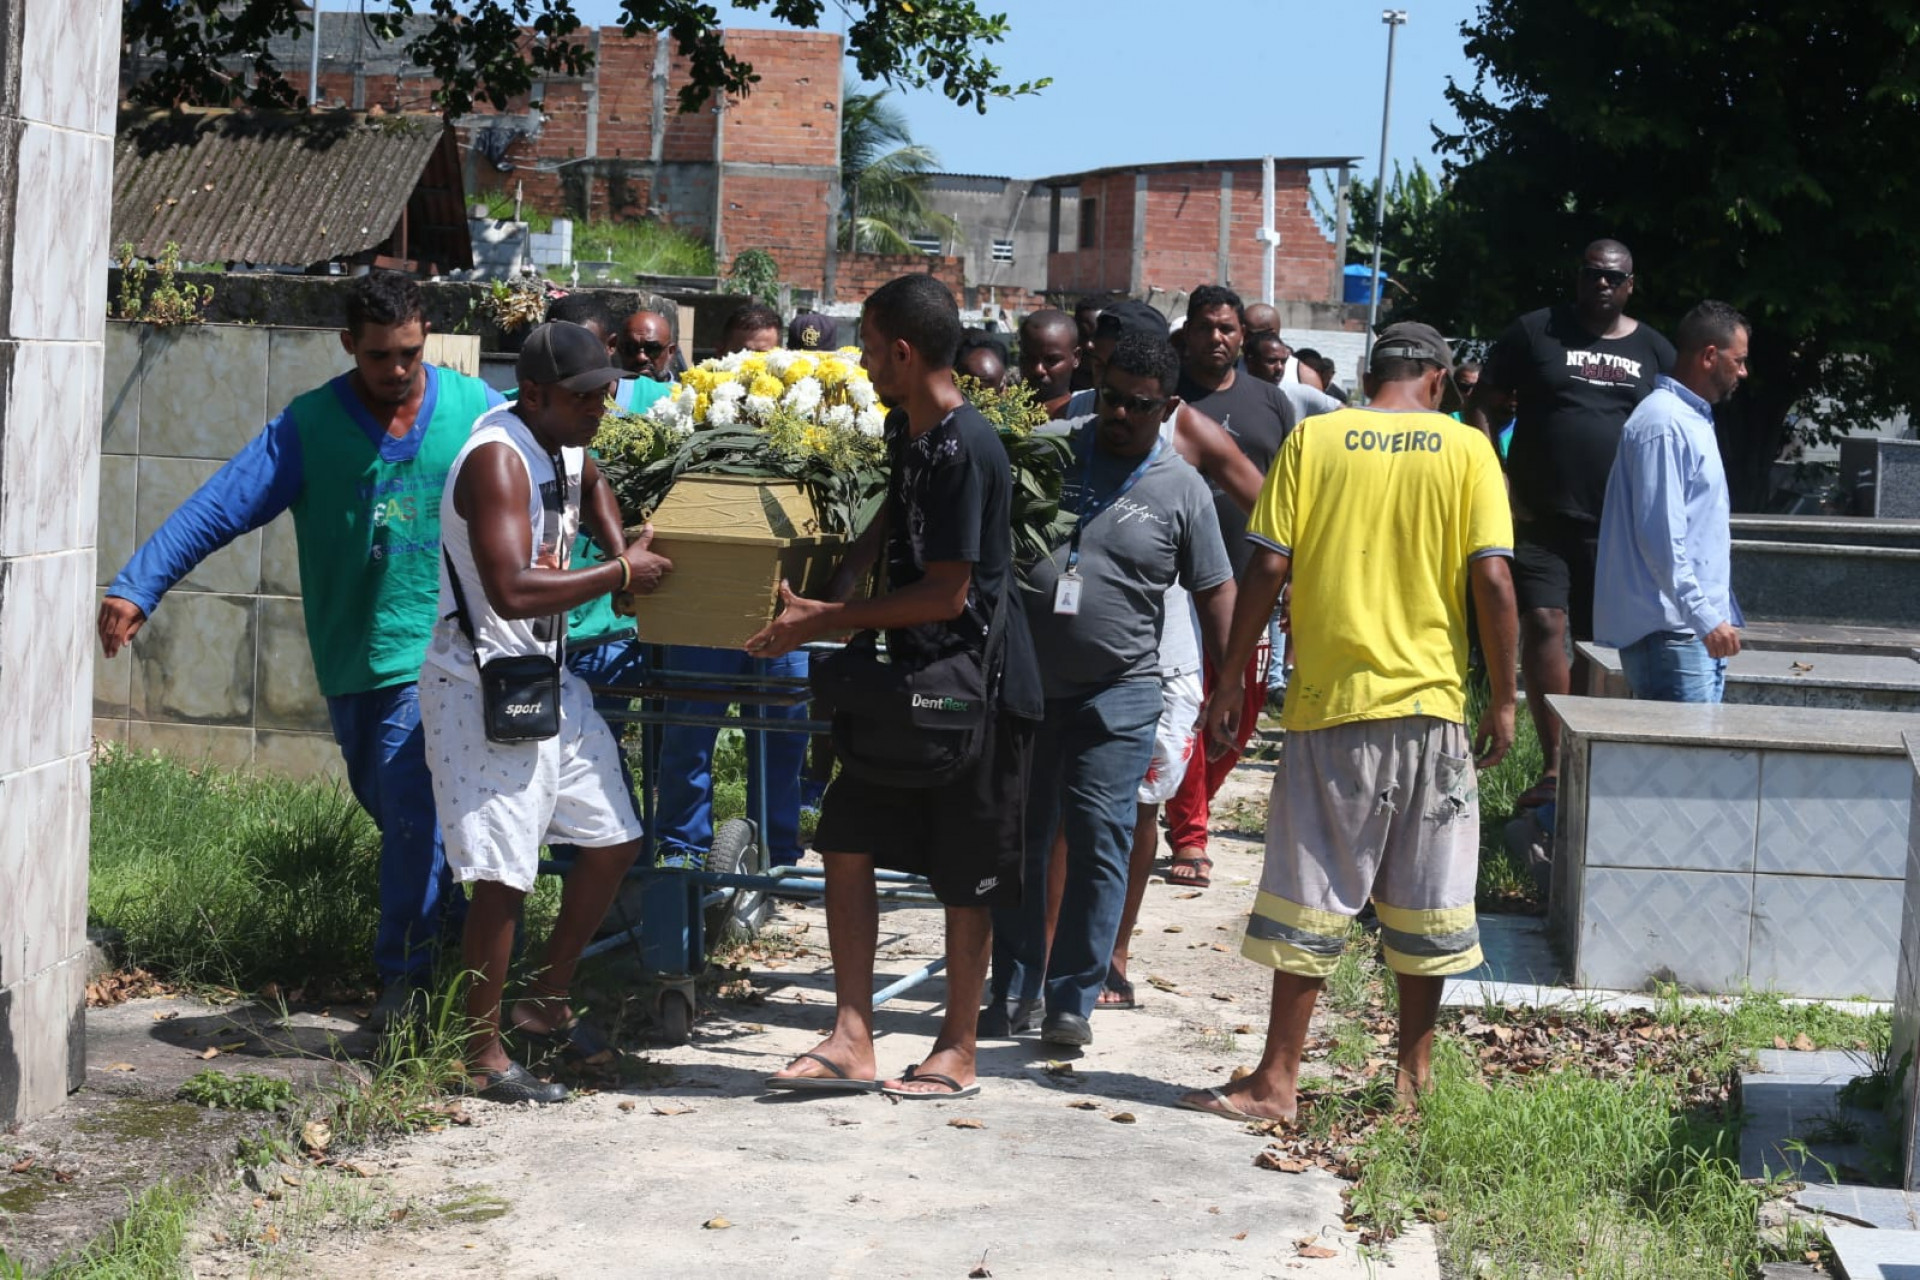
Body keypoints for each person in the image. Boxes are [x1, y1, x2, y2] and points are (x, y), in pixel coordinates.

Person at [97, 272, 505, 1028]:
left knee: (418, 811)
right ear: (349, 345)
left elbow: (547, 489)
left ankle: (407, 985)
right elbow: (220, 504)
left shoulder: (477, 412)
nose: (397, 370)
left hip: (454, 655)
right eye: (380, 356)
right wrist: (139, 584)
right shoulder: (309, 427)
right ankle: (451, 948)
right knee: (404, 814)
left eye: (411, 353)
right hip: (362, 661)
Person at [1178, 321, 1517, 1123]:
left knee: (1309, 893)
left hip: (1331, 708)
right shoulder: (1468, 449)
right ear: (1437, 379)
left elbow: (1267, 564)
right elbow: (1494, 580)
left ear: (1376, 375)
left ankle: (1277, 1082)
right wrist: (1503, 699)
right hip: (1432, 708)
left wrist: (1232, 681)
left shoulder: (1315, 440)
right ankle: (1412, 1083)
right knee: (1427, 899)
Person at [751, 274, 1043, 1099]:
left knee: (964, 875)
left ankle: (957, 1047)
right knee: (845, 839)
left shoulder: (966, 447)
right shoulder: (908, 430)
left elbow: (948, 593)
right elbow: (894, 515)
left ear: (905, 354)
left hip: (972, 690)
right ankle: (852, 1036)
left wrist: (827, 620)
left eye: (874, 350)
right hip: (907, 680)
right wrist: (842, 574)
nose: (867, 364)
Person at [420, 321, 672, 1103]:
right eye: (584, 396)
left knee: (613, 840)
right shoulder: (497, 460)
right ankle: (479, 1053)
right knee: (502, 875)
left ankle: (544, 1003)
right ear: (532, 394)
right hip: (481, 687)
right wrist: (619, 570)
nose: (600, 407)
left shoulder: (557, 435)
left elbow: (591, 478)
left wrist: (613, 538)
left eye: (605, 394)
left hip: (543, 677)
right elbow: (513, 590)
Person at [989, 333, 1235, 1048]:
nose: (1121, 414)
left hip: (1121, 688)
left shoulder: (1182, 487)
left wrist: (1226, 694)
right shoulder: (1051, 447)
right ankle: (1014, 987)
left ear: (1169, 407)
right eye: (1113, 397)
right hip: (1028, 684)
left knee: (1100, 834)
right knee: (1021, 841)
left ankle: (1074, 999)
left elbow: (1216, 590)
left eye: (1140, 405)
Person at [1468, 240, 1675, 808]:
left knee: (1595, 645)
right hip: (1538, 514)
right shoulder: (1536, 332)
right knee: (1541, 622)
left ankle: (1587, 757)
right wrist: (1496, 477)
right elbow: (1481, 402)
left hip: (1617, 528)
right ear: (1578, 278)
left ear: (1631, 284)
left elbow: (1674, 427)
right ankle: (1555, 764)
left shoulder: (1655, 349)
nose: (1602, 285)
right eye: (1592, 275)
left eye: (1613, 277)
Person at [651, 308, 811, 871]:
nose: (752, 365)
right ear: (720, 354)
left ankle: (777, 855)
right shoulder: (686, 417)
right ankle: (683, 853)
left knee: (783, 736)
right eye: (742, 352)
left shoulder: (812, 424)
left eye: (765, 354)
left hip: (781, 606)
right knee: (688, 734)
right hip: (704, 605)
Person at [1163, 285, 1296, 889]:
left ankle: (1190, 804)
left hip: (1252, 581)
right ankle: (1189, 833)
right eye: (1206, 326)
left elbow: (1286, 494)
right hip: (1177, 584)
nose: (1217, 337)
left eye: (1228, 328)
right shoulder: (1164, 399)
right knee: (1189, 706)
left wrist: (1292, 577)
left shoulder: (1271, 402)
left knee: (1239, 711)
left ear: (1243, 336)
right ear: (1187, 332)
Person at [1594, 301, 1749, 702]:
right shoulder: (1664, 424)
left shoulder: (1688, 419)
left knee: (1698, 762)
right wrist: (1705, 617)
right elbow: (1660, 539)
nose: (1744, 372)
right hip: (1673, 635)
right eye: (1739, 360)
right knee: (1683, 763)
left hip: (1691, 633)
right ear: (1710, 356)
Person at [1247, 332, 1341, 422]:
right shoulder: (1237, 393)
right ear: (1251, 362)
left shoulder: (1301, 394)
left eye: (1283, 361)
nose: (1279, 367)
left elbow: (1346, 413)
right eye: (1272, 361)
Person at [611, 309, 679, 414]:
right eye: (631, 348)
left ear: (670, 351)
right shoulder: (606, 394)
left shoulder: (686, 400)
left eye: (652, 349)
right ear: (619, 348)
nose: (641, 357)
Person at [1020, 308, 1081, 418]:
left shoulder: (1085, 420)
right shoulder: (1001, 414)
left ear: (1076, 357)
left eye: (1052, 360)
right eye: (1029, 358)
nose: (1038, 370)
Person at [1071, 293, 1123, 391]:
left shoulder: (1121, 386)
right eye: (1083, 335)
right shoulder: (1060, 380)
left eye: (1097, 336)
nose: (1089, 345)